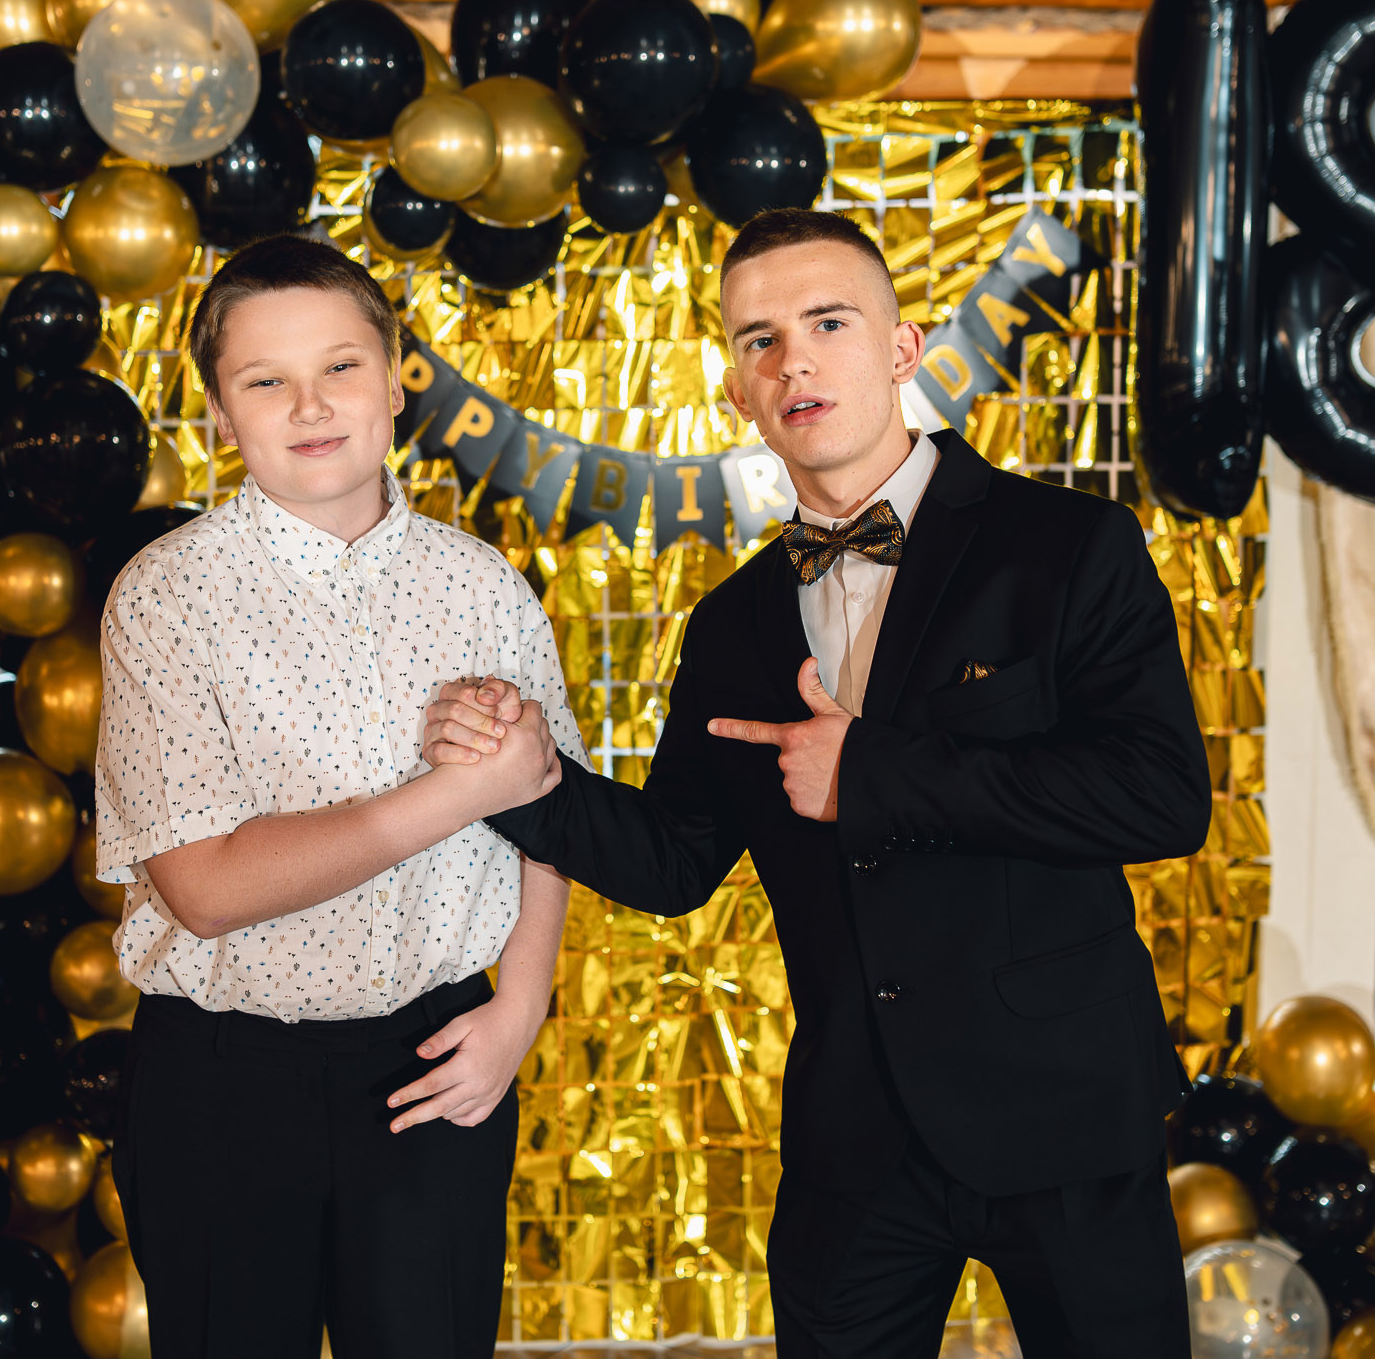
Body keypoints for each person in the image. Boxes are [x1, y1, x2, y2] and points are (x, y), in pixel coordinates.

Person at [423, 209, 1210, 1357]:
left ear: (902, 347)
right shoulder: (731, 621)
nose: (792, 360)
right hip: (856, 1135)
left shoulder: (1068, 545)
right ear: (734, 390)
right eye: (759, 340)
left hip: (1062, 1109)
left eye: (827, 323)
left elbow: (1158, 796)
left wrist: (873, 773)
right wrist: (527, 782)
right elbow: (675, 862)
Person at [94, 233, 586, 1359]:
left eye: (341, 366)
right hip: (223, 1077)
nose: (310, 405)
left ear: (396, 379)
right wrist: (459, 792)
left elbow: (545, 821)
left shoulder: (481, 585)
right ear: (221, 413)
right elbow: (206, 889)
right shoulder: (165, 597)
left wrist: (519, 1008)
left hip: (435, 1058)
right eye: (266, 380)